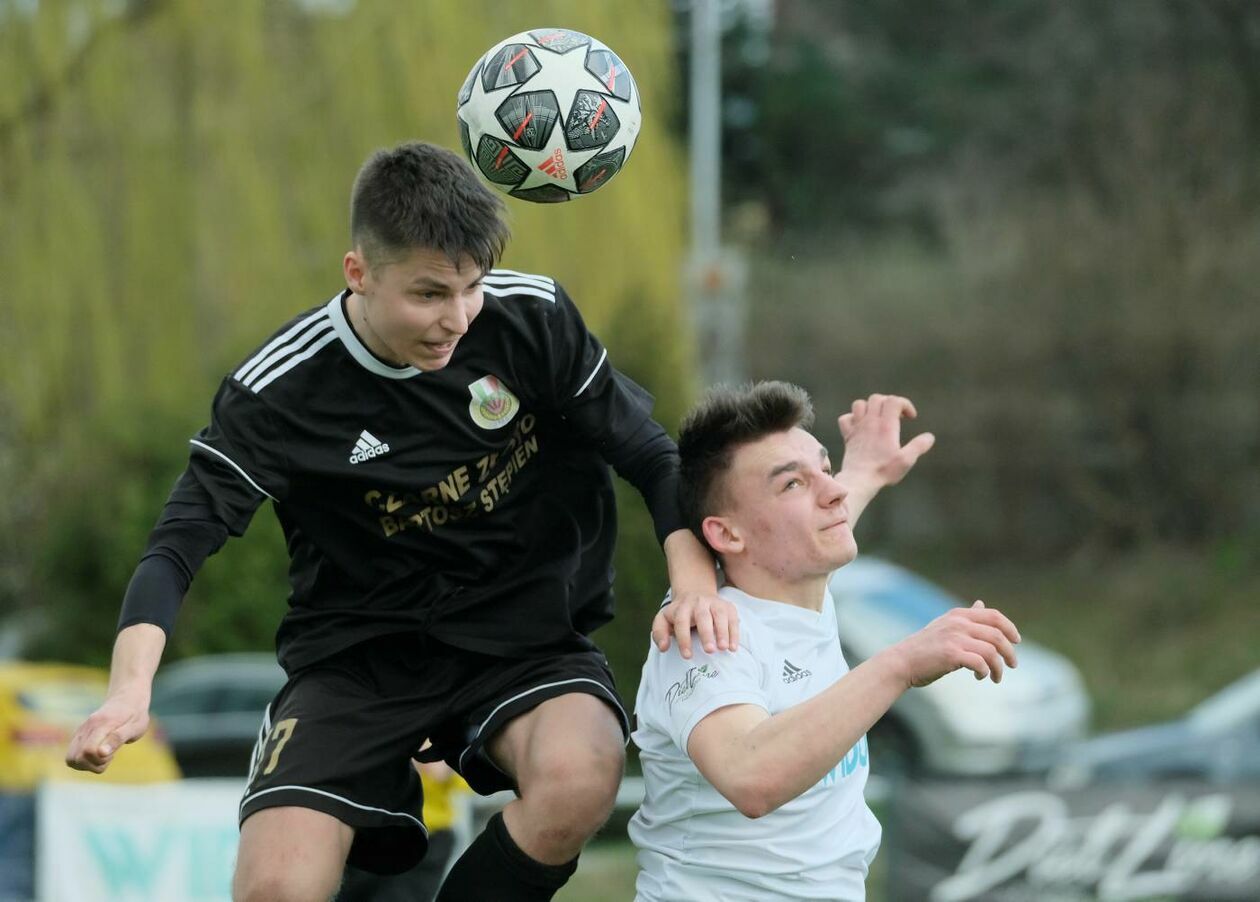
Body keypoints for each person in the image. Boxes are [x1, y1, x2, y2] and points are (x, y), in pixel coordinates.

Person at [64, 140, 738, 902]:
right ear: (359, 272)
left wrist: (690, 582)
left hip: (521, 637)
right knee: (276, 890)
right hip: (357, 656)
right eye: (427, 295)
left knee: (582, 777)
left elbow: (651, 454)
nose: (455, 319)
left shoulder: (532, 318)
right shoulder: (280, 390)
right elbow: (178, 545)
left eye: (471, 289)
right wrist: (128, 693)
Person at [629, 383, 1022, 901]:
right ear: (727, 536)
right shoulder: (705, 629)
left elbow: (825, 514)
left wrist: (866, 469)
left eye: (825, 467)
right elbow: (751, 776)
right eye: (792, 484)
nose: (831, 492)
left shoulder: (797, 586)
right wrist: (902, 662)